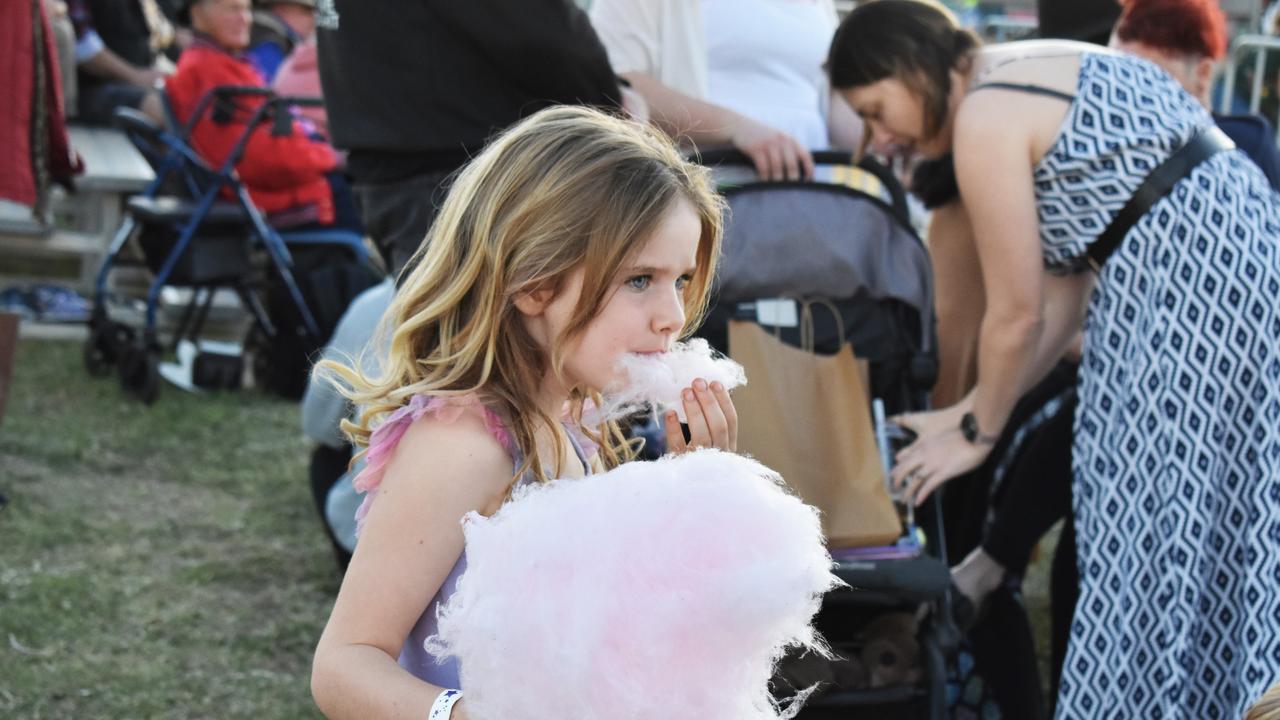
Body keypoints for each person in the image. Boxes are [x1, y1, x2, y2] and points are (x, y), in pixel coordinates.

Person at [827, 1, 1280, 717]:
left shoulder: (983, 115)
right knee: (1211, 512)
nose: (880, 139)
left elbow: (1017, 315)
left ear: (910, 65)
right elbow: (1062, 297)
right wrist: (975, 418)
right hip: (1233, 250)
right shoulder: (1028, 70)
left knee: (1146, 521)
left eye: (876, 111)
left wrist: (976, 433)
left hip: (1191, 279)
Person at [309, 106, 736, 719]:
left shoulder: (574, 420)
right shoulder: (463, 443)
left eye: (682, 279)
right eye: (641, 279)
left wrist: (697, 489)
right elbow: (344, 664)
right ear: (535, 282)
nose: (672, 314)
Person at [316, 0, 628, 279]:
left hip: (401, 168)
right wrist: (608, 99)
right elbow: (539, 32)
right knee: (482, 337)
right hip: (466, 176)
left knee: (447, 334)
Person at [589, 0, 863, 181]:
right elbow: (614, 87)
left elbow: (821, 97)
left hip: (809, 206)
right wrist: (736, 128)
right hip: (705, 205)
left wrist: (880, 127)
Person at [165, 0, 357, 231]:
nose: (245, 19)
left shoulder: (223, 63)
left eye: (246, 9)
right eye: (232, 9)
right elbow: (255, 160)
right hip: (273, 199)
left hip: (289, 182)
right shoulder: (207, 71)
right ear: (197, 14)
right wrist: (327, 158)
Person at [1110, 0, 1280, 190]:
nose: (1135, 95)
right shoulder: (1108, 144)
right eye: (1122, 77)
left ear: (1203, 74)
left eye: (1155, 81)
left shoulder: (1247, 142)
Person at [65, 0, 181, 124]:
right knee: (161, 106)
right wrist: (136, 76)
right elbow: (82, 46)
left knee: (187, 97)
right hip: (90, 90)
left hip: (139, 77)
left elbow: (160, 34)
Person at [245, 0, 314, 82]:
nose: (313, 18)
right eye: (306, 10)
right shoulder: (268, 43)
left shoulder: (278, 38)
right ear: (281, 8)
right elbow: (273, 88)